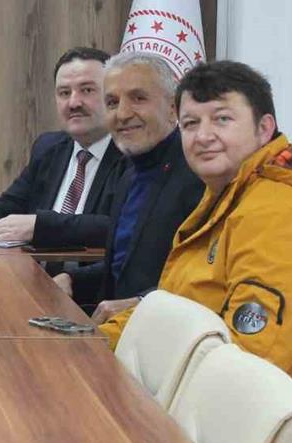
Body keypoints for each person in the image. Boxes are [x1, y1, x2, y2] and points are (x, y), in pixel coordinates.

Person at [99, 61, 292, 404]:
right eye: (191, 123)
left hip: (244, 425)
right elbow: (176, 307)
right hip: (187, 397)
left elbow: (248, 366)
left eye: (222, 119)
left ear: (264, 128)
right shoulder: (230, 197)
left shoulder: (288, 217)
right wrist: (91, 342)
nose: (203, 136)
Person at [50, 52, 204, 310]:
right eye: (112, 102)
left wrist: (139, 304)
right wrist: (73, 279)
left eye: (138, 98)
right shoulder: (129, 172)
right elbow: (126, 268)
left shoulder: (198, 174)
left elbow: (203, 280)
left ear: (172, 107)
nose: (122, 114)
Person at [0, 47, 123, 247]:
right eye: (64, 93)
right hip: (30, 264)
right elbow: (15, 203)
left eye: (87, 90)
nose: (73, 103)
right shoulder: (48, 147)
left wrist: (41, 226)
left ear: (113, 97)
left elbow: (120, 225)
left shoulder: (131, 154)